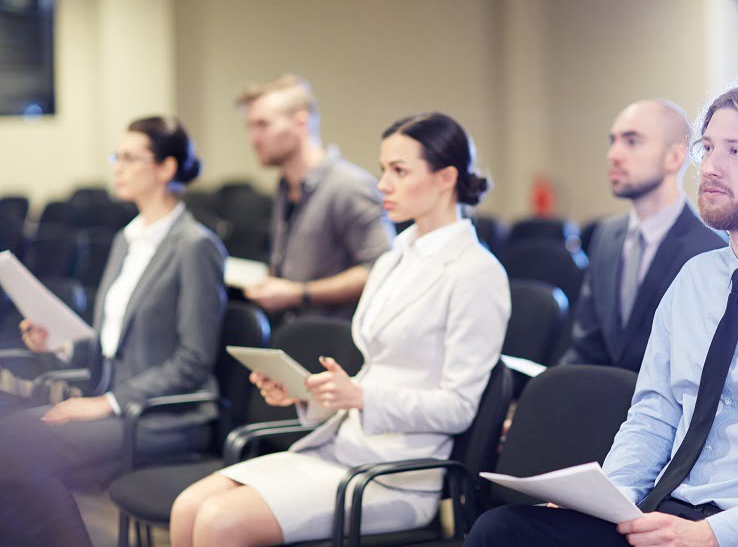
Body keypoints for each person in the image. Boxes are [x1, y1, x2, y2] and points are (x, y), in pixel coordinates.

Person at [466, 78, 738, 547]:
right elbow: (654, 415)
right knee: (503, 530)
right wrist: (609, 499)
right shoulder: (696, 278)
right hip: (669, 510)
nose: (709, 167)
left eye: (736, 151)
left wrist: (715, 534)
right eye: (707, 147)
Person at [168, 112, 511, 546]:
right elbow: (372, 376)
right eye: (384, 168)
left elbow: (460, 407)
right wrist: (308, 396)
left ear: (446, 178)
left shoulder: (476, 273)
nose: (382, 183)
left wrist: (362, 397)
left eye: (399, 171)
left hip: (396, 475)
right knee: (187, 508)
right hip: (342, 448)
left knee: (220, 522)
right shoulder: (393, 259)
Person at [0, 116, 227, 546]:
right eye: (115, 157)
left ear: (166, 168)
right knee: (11, 448)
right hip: (115, 405)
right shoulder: (128, 240)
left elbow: (193, 361)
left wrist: (108, 403)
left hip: (165, 416)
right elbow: (107, 346)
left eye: (129, 158)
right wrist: (56, 348)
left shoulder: (195, 246)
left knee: (13, 444)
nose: (117, 168)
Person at [558, 99, 724, 371]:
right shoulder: (606, 235)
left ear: (674, 157)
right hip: (601, 404)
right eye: (613, 141)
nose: (613, 154)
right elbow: (586, 348)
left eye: (632, 141)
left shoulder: (710, 249)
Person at [236, 74, 394, 321]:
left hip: (336, 343)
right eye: (251, 127)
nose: (253, 139)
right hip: (294, 334)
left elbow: (380, 270)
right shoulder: (285, 186)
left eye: (263, 125)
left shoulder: (348, 187)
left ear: (301, 122)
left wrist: (299, 294)